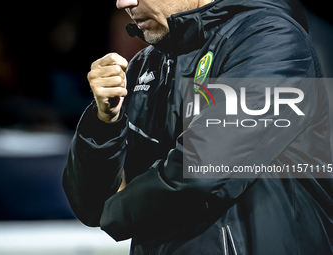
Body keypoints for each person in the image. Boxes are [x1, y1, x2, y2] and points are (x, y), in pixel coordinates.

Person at [63, 0, 333, 254]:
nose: (123, 3)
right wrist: (104, 122)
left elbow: (201, 171)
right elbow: (90, 206)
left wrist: (110, 214)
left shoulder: (271, 38)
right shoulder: (146, 64)